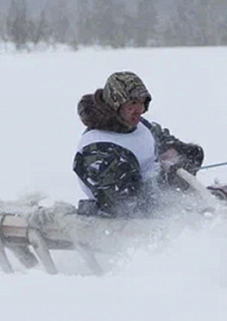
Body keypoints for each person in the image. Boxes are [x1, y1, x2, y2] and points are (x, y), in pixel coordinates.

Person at [73, 71, 208, 216]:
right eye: (133, 103)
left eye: (142, 102)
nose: (140, 110)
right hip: (122, 223)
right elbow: (123, 204)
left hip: (157, 198)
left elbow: (170, 143)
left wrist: (176, 154)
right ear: (115, 104)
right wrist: (166, 181)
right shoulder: (99, 148)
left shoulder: (137, 124)